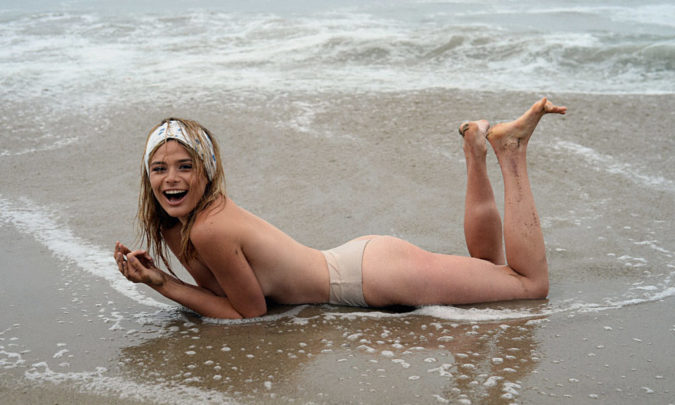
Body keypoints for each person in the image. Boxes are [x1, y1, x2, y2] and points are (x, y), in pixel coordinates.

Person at [114, 98, 567, 319]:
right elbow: (223, 294)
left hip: (373, 277)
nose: (171, 179)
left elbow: (247, 314)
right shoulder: (179, 224)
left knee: (529, 285)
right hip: (361, 265)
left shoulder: (207, 228)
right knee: (488, 267)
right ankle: (475, 152)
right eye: (159, 169)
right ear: (147, 176)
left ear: (207, 172)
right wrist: (163, 277)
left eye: (185, 166)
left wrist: (161, 283)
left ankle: (510, 153)